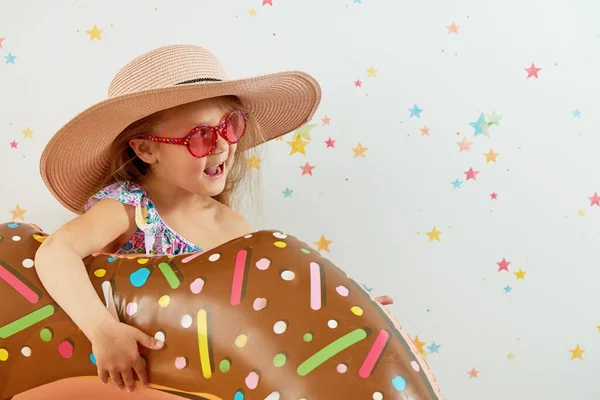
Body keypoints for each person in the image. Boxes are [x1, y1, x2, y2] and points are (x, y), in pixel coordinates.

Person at [34, 44, 393, 394]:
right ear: (146, 149)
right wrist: (102, 330)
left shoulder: (233, 229)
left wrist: (349, 313)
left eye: (229, 126)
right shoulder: (128, 210)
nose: (222, 145)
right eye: (200, 136)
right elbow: (55, 252)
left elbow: (268, 313)